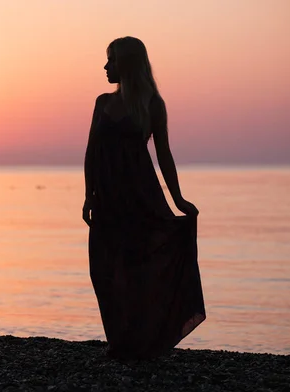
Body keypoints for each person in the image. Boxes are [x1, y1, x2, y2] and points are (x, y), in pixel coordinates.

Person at [83, 36, 206, 360]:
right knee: (104, 268)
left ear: (126, 63)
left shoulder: (152, 104)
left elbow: (163, 154)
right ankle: (121, 338)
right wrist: (88, 195)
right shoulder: (101, 102)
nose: (106, 66)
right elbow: (91, 152)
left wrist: (177, 199)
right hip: (108, 197)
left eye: (111, 60)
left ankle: (139, 342)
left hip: (140, 194)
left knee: (138, 267)